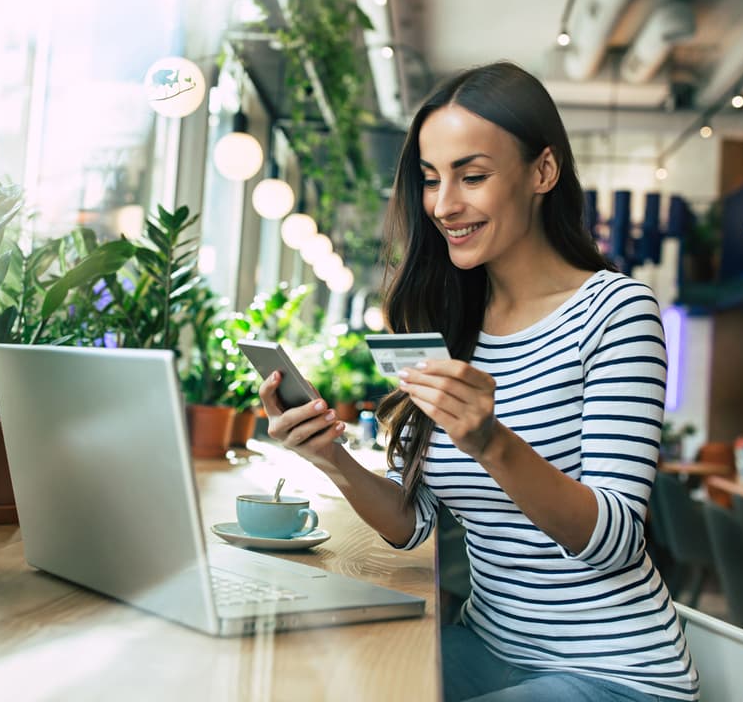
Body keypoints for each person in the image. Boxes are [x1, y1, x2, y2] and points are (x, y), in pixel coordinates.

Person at [258, 61, 697, 701]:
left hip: (614, 673)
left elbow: (615, 539)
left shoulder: (618, 311)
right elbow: (415, 524)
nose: (443, 205)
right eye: (432, 180)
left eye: (473, 176)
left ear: (542, 172)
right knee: (319, 675)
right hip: (488, 646)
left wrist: (492, 442)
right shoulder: (451, 323)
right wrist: (331, 459)